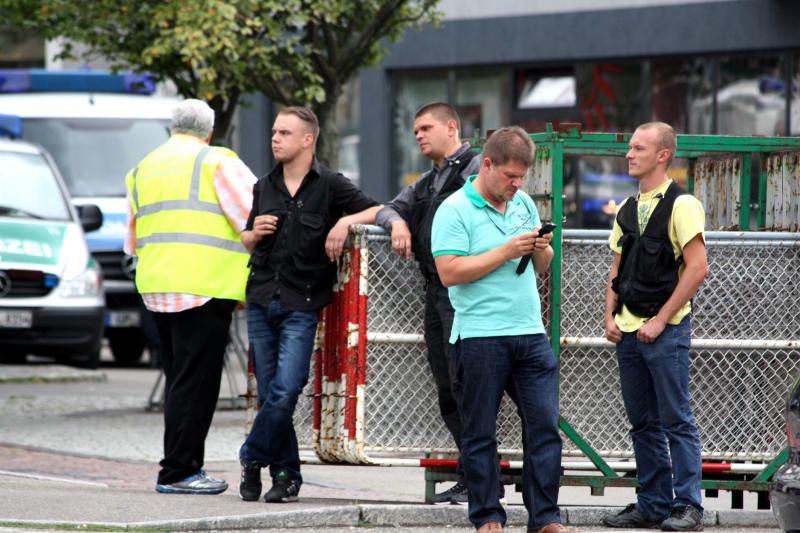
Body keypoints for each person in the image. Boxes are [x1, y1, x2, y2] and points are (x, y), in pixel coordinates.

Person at [431, 126, 572, 533]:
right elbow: (449, 272)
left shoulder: (523, 203)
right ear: (487, 164)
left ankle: (545, 517)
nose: (516, 184)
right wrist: (506, 250)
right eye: (510, 176)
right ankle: (488, 516)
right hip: (479, 335)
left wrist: (541, 250)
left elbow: (540, 268)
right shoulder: (454, 209)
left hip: (530, 333)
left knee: (545, 427)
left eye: (521, 177)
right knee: (479, 432)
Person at [237, 106, 381, 503]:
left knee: (286, 390)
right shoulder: (264, 185)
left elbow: (379, 209)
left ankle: (250, 457)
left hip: (301, 303)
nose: (275, 138)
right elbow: (246, 237)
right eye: (273, 131)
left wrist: (343, 222)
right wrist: (253, 233)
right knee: (270, 395)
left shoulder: (331, 184)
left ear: (307, 139)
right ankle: (285, 475)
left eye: (284, 132)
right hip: (261, 298)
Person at [124, 98, 257, 494]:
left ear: (172, 128)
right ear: (210, 131)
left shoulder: (143, 168)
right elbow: (253, 216)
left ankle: (179, 468)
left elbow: (131, 240)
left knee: (178, 380)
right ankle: (179, 472)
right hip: (204, 286)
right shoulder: (217, 161)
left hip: (156, 287)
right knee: (196, 384)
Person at [601, 122, 708, 532]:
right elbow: (616, 268)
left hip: (667, 331)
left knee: (677, 419)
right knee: (642, 422)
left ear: (663, 155)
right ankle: (652, 503)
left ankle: (688, 507)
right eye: (629, 147)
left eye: (638, 148)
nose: (629, 154)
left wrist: (662, 319)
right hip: (629, 332)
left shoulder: (683, 205)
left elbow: (698, 268)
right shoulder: (626, 208)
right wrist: (609, 317)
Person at [375, 101, 480, 505]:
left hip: (467, 293)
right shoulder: (429, 181)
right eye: (415, 130)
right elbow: (388, 209)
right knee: (447, 384)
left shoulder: (475, 169)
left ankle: (478, 476)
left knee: (467, 382)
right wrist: (398, 222)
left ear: (452, 127)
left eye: (425, 128)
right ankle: (472, 472)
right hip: (437, 291)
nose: (418, 135)